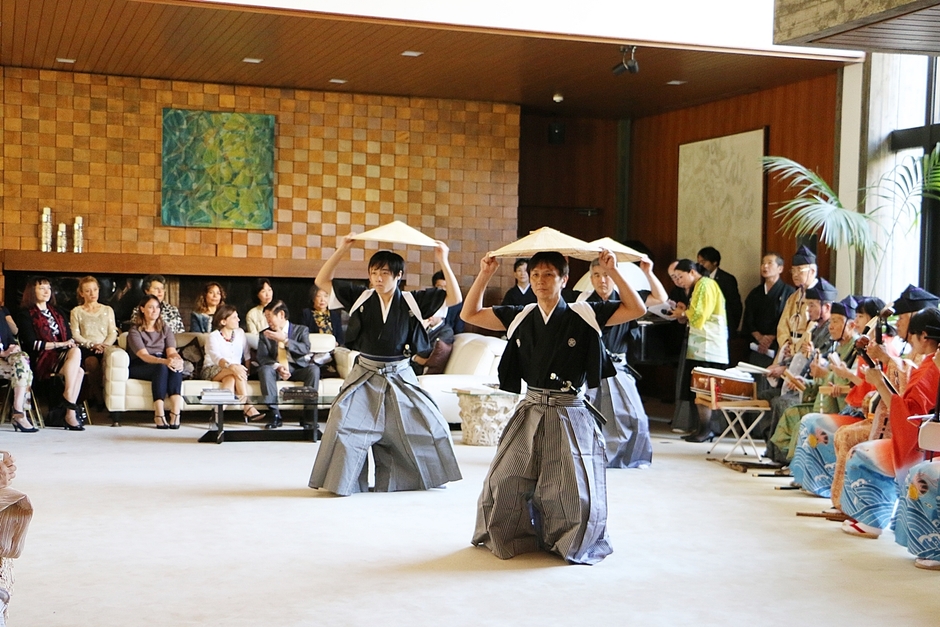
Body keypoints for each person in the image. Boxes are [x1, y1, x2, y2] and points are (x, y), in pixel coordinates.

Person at [463, 249, 645, 564]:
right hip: (531, 406)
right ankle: (514, 535)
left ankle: (567, 541)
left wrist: (612, 271)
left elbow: (636, 308)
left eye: (549, 275)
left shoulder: (585, 313)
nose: (541, 282)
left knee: (570, 484)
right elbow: (470, 314)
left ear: (564, 279)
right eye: (535, 275)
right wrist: (485, 274)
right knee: (504, 477)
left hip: (570, 408)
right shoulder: (521, 314)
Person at [309, 236, 463, 496]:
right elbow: (321, 281)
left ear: (398, 275)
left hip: (400, 374)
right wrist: (343, 249)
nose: (377, 279)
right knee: (342, 423)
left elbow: (455, 296)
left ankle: (409, 479)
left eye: (384, 273)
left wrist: (442, 259)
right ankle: (343, 481)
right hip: (365, 373)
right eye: (373, 273)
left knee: (430, 424)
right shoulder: (361, 296)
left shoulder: (413, 301)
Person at [840, 303, 940, 540]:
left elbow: (910, 416)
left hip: (920, 444)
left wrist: (879, 382)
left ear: (923, 336)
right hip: (920, 436)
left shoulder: (930, 368)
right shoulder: (927, 364)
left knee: (861, 454)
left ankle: (870, 519)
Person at [580, 256, 654, 468]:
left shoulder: (626, 302)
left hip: (618, 368)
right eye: (596, 275)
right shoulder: (583, 304)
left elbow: (660, 298)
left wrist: (648, 272)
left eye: (606, 275)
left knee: (634, 417)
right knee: (586, 414)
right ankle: (590, 457)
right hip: (590, 369)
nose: (602, 280)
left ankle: (632, 457)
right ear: (591, 279)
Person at [772, 295, 859, 468]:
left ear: (851, 325)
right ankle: (795, 464)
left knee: (804, 423)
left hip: (841, 407)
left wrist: (826, 375)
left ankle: (801, 468)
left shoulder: (857, 349)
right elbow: (826, 380)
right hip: (823, 401)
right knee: (790, 415)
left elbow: (852, 382)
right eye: (831, 321)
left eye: (836, 322)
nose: (831, 326)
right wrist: (803, 381)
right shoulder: (839, 347)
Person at [668, 259, 729, 441]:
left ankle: (706, 429)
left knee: (705, 391)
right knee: (698, 390)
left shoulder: (705, 284)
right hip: (700, 346)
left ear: (692, 272)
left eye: (681, 276)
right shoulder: (700, 286)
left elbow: (700, 316)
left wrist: (682, 313)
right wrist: (683, 311)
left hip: (708, 346)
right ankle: (701, 428)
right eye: (675, 278)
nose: (679, 281)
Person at [16, 276, 85, 430]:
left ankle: (68, 401)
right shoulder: (25, 314)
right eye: (42, 288)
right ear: (32, 291)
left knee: (76, 354)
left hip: (63, 355)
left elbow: (68, 337)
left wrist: (68, 343)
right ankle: (70, 411)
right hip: (42, 358)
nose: (47, 291)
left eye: (48, 288)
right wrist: (60, 344)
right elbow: (32, 344)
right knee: (78, 370)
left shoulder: (58, 312)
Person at [257, 300, 319, 429]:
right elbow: (262, 357)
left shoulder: (301, 330)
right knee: (265, 370)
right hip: (276, 370)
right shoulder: (265, 334)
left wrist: (284, 340)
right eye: (266, 317)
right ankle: (275, 415)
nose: (267, 321)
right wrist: (278, 367)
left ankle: (308, 415)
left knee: (313, 370)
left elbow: (305, 349)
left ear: (281, 314)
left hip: (297, 368)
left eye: (269, 316)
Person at [128, 294, 185, 429]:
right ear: (142, 309)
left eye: (157, 307)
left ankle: (175, 412)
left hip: (161, 363)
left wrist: (177, 360)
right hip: (140, 365)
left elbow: (171, 351)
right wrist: (165, 361)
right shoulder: (135, 331)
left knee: (175, 367)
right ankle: (159, 413)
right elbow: (144, 356)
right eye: (150, 307)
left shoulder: (165, 328)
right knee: (162, 367)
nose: (155, 311)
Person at [201, 304, 262, 421]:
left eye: (237, 316)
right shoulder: (213, 336)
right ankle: (248, 407)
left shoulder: (240, 333)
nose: (238, 319)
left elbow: (247, 355)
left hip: (234, 371)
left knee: (232, 377)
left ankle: (218, 412)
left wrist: (246, 372)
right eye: (234, 317)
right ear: (223, 321)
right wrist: (231, 366)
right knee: (235, 371)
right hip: (212, 368)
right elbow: (216, 358)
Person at [69, 276, 118, 411]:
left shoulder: (107, 310)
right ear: (81, 293)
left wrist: (104, 345)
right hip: (86, 347)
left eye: (95, 290)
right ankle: (98, 395)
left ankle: (96, 395)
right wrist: (91, 345)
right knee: (91, 362)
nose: (92, 294)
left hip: (106, 347)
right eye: (88, 291)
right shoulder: (76, 311)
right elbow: (75, 334)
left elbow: (113, 332)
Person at [741, 253, 796, 366]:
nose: (765, 266)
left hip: (778, 344)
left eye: (769, 263)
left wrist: (771, 337)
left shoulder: (789, 293)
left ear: (780, 268)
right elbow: (748, 317)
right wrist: (759, 337)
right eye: (763, 263)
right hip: (756, 344)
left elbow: (788, 319)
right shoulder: (755, 292)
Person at [776, 245, 819, 351]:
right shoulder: (793, 297)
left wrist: (796, 348)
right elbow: (783, 325)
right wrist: (786, 345)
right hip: (788, 348)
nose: (795, 275)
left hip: (806, 348)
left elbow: (815, 327)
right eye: (793, 271)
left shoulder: (820, 296)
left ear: (812, 271)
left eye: (799, 270)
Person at [0, 312, 35, 433]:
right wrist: (2, 353)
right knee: (26, 373)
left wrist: (14, 347)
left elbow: (10, 337)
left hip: (4, 360)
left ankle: (18, 409)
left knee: (22, 360)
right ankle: (20, 413)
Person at [697, 246, 742, 335]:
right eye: (699, 262)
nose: (700, 265)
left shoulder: (727, 279)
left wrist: (732, 327)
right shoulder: (698, 279)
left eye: (704, 262)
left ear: (715, 262)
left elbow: (735, 306)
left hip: (722, 326)